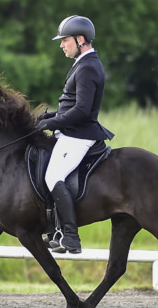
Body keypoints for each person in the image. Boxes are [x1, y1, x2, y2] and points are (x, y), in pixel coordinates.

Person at [36, 15, 115, 254]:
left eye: (65, 40)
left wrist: (52, 122)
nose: (62, 45)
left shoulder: (88, 66)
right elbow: (71, 104)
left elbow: (81, 110)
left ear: (80, 39)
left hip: (78, 135)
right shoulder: (83, 62)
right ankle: (55, 230)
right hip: (70, 131)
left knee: (53, 177)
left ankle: (70, 236)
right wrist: (46, 116)